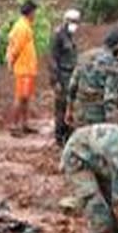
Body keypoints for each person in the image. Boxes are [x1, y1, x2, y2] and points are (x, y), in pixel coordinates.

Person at [65, 28, 118, 129]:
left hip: (80, 114)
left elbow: (72, 85)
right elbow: (110, 98)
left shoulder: (84, 56)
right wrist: (114, 126)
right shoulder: (112, 63)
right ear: (117, 46)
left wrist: (69, 110)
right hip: (98, 117)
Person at [7, 0, 38, 136]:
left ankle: (25, 124)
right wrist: (11, 62)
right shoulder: (21, 27)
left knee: (26, 98)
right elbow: (16, 48)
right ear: (30, 12)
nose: (35, 15)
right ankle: (14, 126)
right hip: (23, 68)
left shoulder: (25, 25)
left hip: (28, 68)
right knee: (20, 97)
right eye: (34, 12)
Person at [50, 9, 80, 146]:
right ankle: (59, 136)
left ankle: (68, 134)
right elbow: (53, 60)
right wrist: (55, 81)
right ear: (66, 21)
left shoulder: (70, 36)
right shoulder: (58, 36)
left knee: (70, 105)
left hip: (71, 75)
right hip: (62, 75)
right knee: (61, 106)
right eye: (73, 22)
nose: (75, 25)